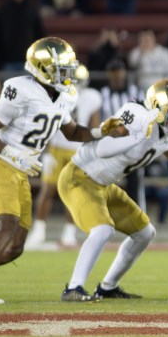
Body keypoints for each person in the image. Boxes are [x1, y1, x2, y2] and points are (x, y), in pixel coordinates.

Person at [0, 38, 102, 304]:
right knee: (7, 225)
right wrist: (13, 153)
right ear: (43, 68)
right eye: (61, 68)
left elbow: (73, 132)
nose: (67, 73)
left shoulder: (66, 95)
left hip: (21, 172)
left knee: (15, 247)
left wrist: (101, 132)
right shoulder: (19, 89)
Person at [59, 80, 168, 301]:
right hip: (79, 177)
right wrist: (137, 137)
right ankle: (73, 288)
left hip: (104, 186)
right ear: (159, 107)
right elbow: (103, 147)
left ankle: (108, 287)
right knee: (103, 230)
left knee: (145, 233)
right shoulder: (135, 114)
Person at [29, 64, 102, 249]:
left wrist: (92, 154)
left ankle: (69, 233)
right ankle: (39, 231)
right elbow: (47, 123)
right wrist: (45, 152)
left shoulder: (91, 97)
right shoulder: (57, 94)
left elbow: (94, 127)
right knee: (48, 190)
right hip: (56, 148)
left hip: (77, 150)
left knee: (74, 194)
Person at [0, 0, 45, 71]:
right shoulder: (2, 10)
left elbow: (40, 35)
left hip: (29, 62)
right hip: (7, 62)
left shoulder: (33, 10)